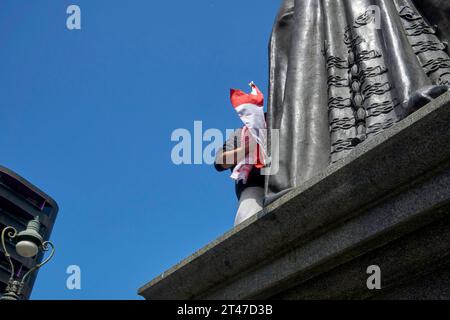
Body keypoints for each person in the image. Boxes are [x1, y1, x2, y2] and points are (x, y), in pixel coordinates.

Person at [215, 127, 264, 226]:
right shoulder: (242, 132)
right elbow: (220, 161)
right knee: (248, 225)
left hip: (285, 181)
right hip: (254, 186)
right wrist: (247, 147)